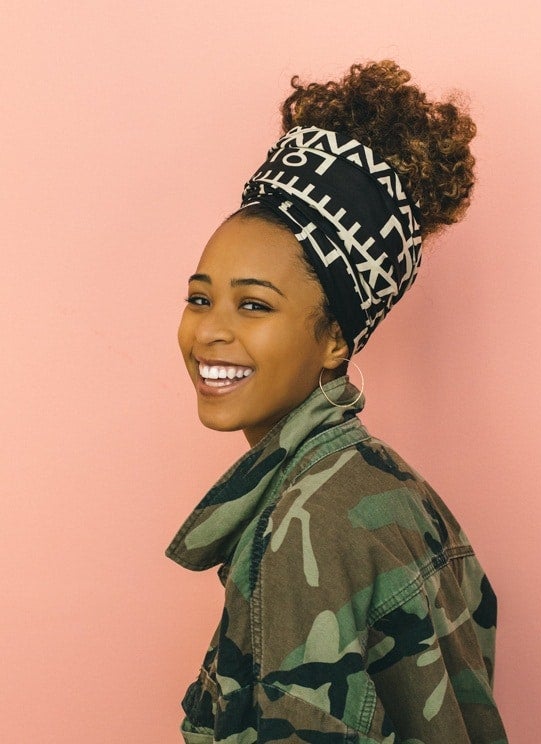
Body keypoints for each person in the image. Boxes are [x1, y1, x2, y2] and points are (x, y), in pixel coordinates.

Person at [167, 60, 508, 744]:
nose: (209, 331)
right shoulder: (387, 485)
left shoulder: (303, 529)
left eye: (254, 305)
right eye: (200, 298)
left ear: (333, 339)